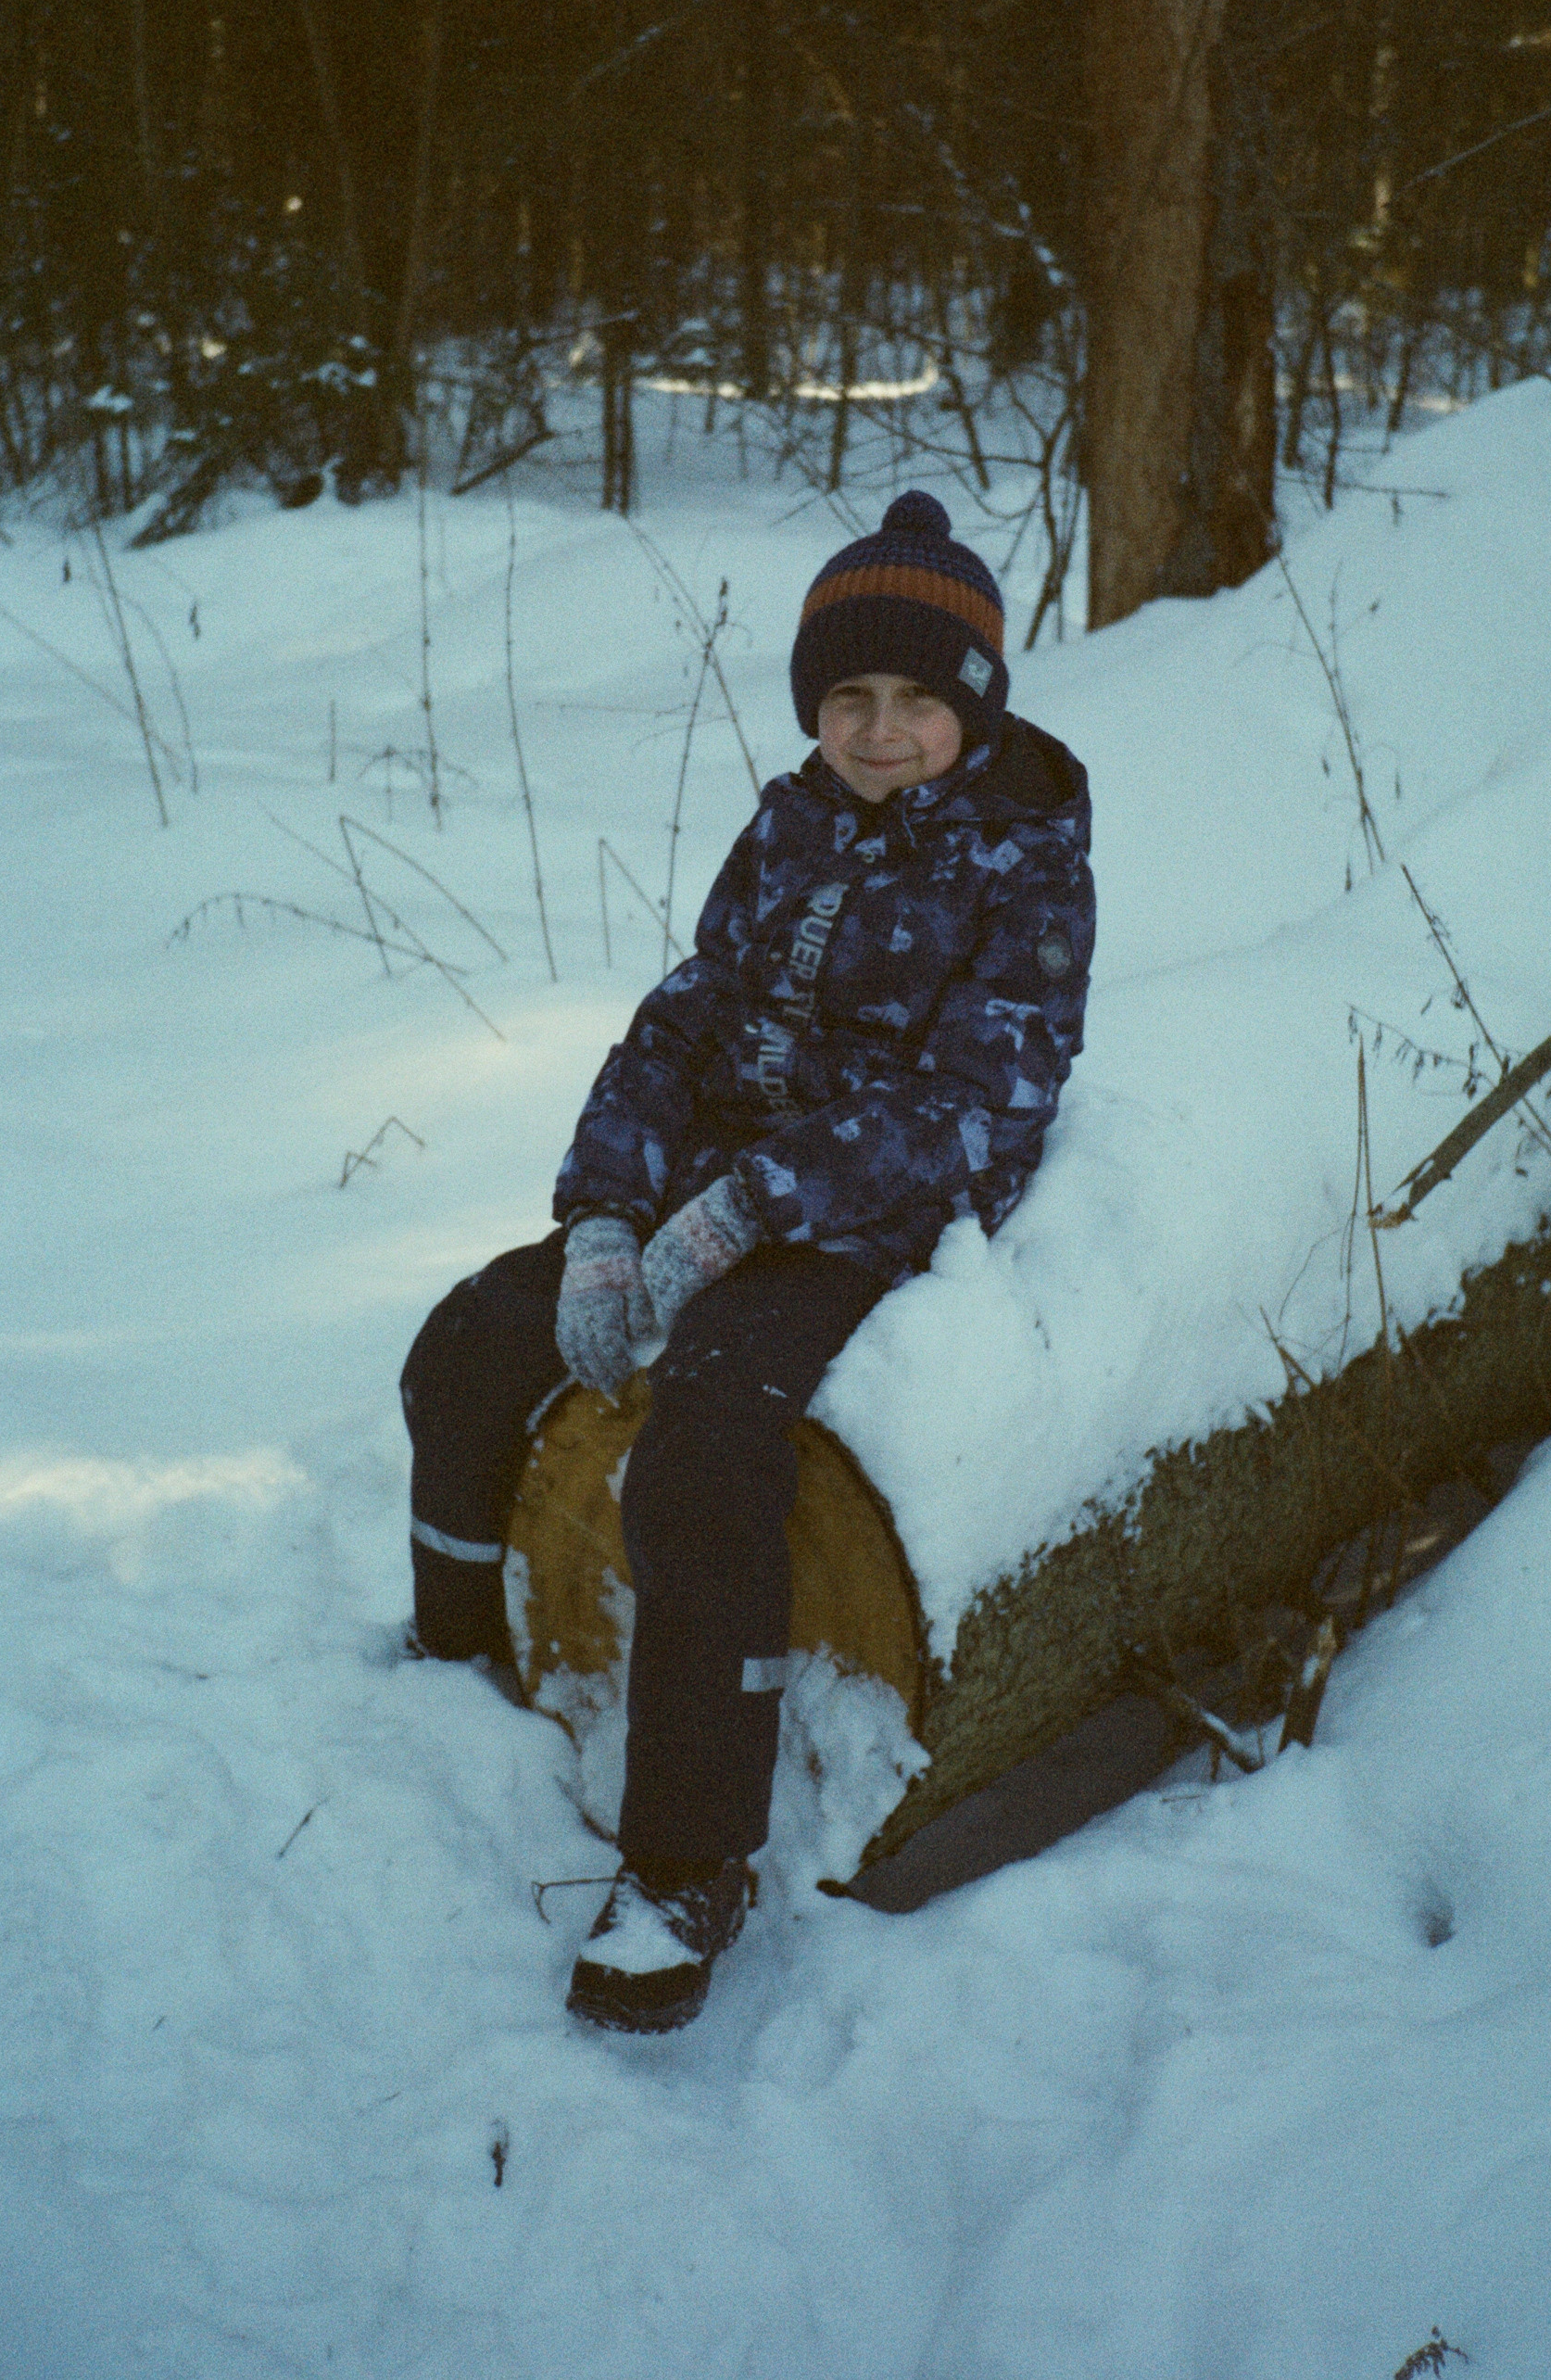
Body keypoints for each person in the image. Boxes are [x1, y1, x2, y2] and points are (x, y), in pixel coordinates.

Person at [399, 490, 1094, 2032]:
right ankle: (453, 1665)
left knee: (703, 1459)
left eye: (919, 698)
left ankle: (688, 1860)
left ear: (973, 712)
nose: (881, 727)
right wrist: (606, 1217)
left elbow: (982, 1105)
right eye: (851, 695)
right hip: (713, 1175)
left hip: (858, 1211)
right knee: (465, 1343)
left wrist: (749, 1209)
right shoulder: (788, 824)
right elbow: (684, 1024)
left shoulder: (1022, 859)